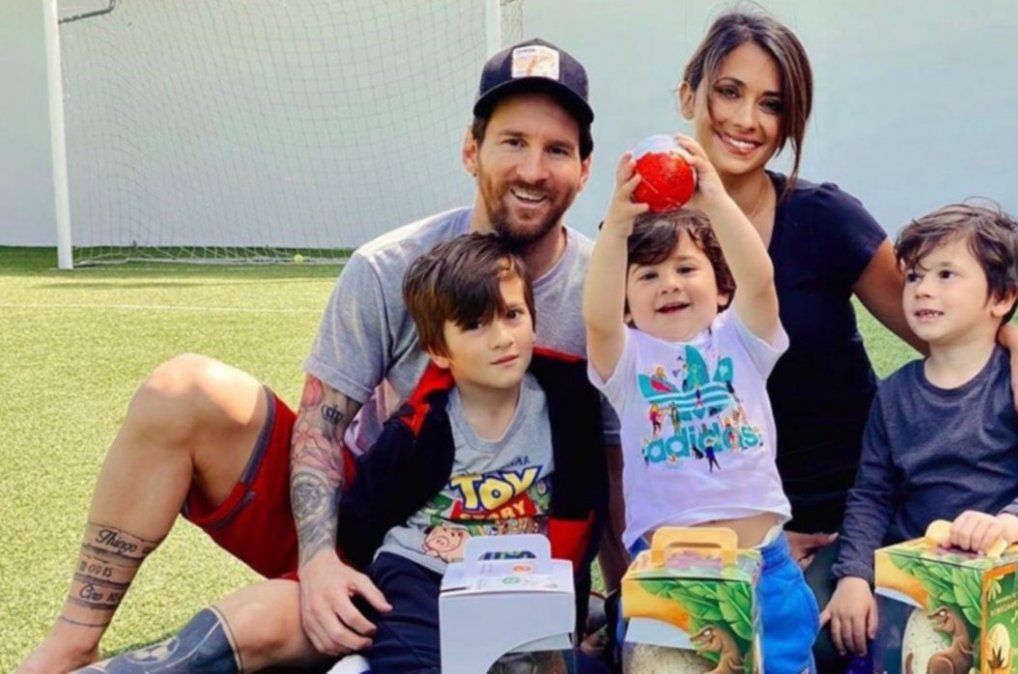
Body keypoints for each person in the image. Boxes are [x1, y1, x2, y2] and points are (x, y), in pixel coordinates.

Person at [21, 37, 614, 674]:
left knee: (268, 625)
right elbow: (321, 425)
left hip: (508, 557)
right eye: (513, 141)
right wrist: (321, 562)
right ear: (471, 150)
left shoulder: (605, 289)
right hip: (378, 527)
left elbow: (616, 461)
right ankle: (74, 640)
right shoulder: (390, 266)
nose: (533, 169)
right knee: (182, 390)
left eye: (557, 150)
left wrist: (617, 604)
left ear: (585, 168)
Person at [673, 10, 1018, 671]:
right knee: (680, 645)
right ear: (688, 94)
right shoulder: (647, 241)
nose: (747, 119)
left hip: (837, 522)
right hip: (721, 531)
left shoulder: (824, 219)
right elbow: (623, 412)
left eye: (772, 104)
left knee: (811, 639)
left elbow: (940, 326)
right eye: (728, 91)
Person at [584, 137, 819, 672]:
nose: (669, 284)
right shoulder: (628, 362)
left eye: (686, 269)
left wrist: (715, 200)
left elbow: (760, 279)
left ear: (721, 288)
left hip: (762, 569)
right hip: (667, 579)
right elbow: (598, 318)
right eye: (648, 275)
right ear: (627, 304)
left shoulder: (742, 341)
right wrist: (616, 227)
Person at [820, 202, 1018, 672]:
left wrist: (1006, 525)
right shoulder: (894, 393)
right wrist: (854, 576)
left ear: (1001, 297)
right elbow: (872, 494)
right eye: (915, 276)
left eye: (946, 275)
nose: (923, 289)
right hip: (924, 579)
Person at [334, 233, 606, 672]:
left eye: (513, 315)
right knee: (416, 661)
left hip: (524, 579)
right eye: (476, 325)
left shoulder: (567, 404)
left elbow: (585, 506)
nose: (502, 338)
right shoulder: (421, 425)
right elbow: (362, 515)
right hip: (425, 573)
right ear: (439, 350)